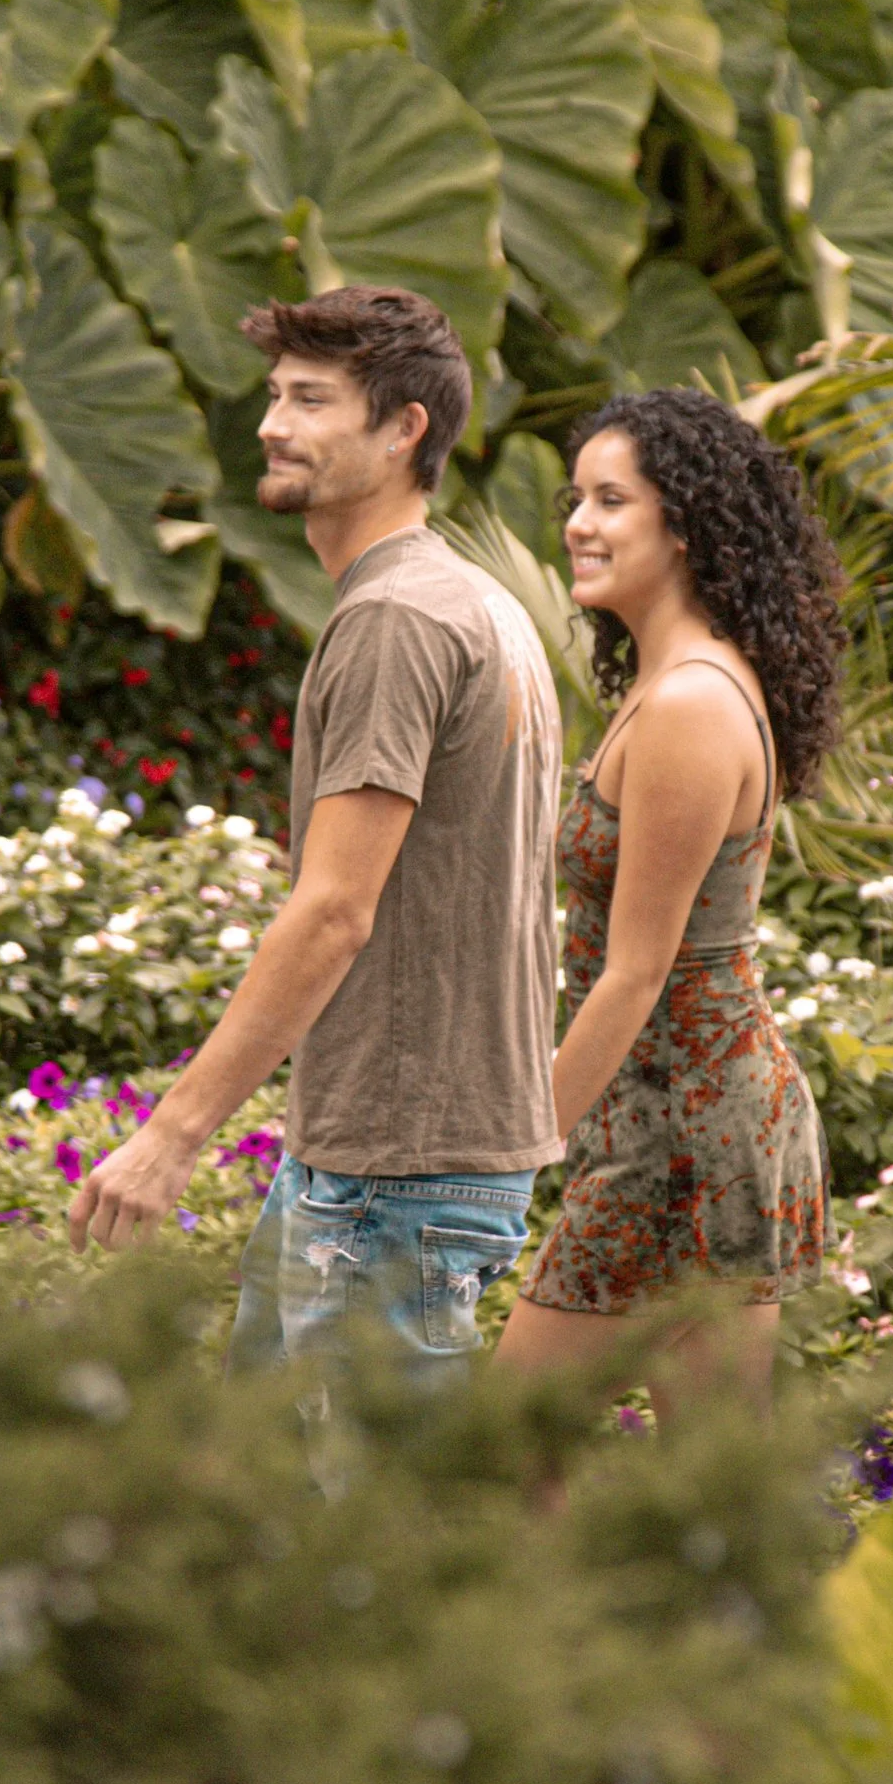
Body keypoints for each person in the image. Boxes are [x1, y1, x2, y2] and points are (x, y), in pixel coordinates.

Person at [70, 283, 560, 1379]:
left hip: (397, 1174)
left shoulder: (395, 621)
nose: (270, 423)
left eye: (309, 399)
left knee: (378, 1532)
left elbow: (335, 908)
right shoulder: (475, 603)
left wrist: (168, 1136)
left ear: (402, 431)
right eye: (272, 394)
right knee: (260, 1502)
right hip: (385, 1157)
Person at [498, 389, 842, 1418]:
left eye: (612, 501)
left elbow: (637, 972)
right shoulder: (673, 687)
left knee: (507, 1444)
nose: (577, 523)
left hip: (685, 1131)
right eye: (576, 497)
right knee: (708, 1495)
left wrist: (509, 1165)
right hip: (693, 1113)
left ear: (683, 528)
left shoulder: (691, 704)